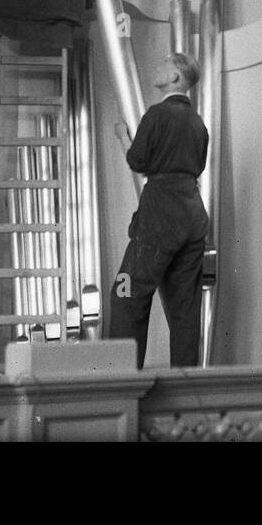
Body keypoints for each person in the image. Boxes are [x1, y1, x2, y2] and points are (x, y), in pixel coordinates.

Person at [108, 53, 210, 368]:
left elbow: (138, 162)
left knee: (126, 294)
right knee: (185, 306)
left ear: (177, 78)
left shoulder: (157, 114)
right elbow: (197, 166)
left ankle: (122, 384)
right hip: (193, 215)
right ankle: (185, 390)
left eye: (165, 64)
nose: (158, 66)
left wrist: (124, 137)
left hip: (162, 214)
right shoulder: (198, 123)